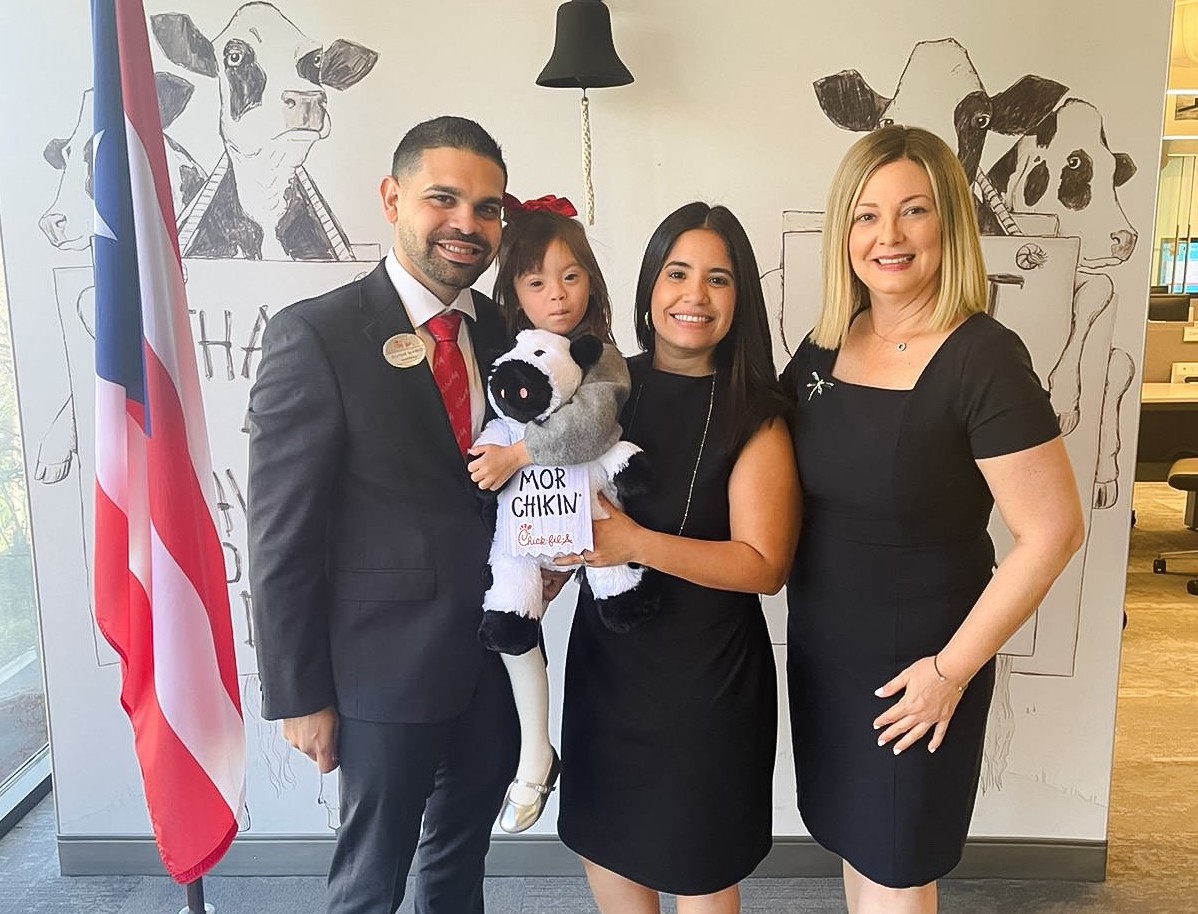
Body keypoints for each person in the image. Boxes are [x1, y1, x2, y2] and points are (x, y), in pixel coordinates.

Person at [782, 124, 1085, 913]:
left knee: (897, 862)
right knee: (860, 845)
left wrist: (949, 675)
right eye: (866, 215)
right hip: (827, 656)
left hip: (921, 669)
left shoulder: (983, 356)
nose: (888, 236)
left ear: (949, 222)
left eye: (913, 211)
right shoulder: (822, 348)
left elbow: (1052, 532)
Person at [247, 116, 519, 914]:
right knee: (370, 883)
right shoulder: (316, 335)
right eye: (445, 199)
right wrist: (299, 693)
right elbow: (280, 533)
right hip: (379, 675)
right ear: (392, 197)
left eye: (489, 207)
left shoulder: (500, 332)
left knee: (458, 864)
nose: (468, 224)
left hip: (485, 662)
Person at [555, 202, 801, 913]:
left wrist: (634, 543)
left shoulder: (757, 413)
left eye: (717, 280)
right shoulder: (598, 388)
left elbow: (764, 565)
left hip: (706, 683)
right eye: (677, 273)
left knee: (698, 866)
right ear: (649, 288)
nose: (693, 296)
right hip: (607, 667)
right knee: (606, 845)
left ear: (740, 299)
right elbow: (555, 497)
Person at [466, 195, 631, 834]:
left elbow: (592, 426)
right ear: (514, 290)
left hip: (591, 520)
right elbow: (488, 422)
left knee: (616, 611)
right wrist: (491, 455)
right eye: (536, 281)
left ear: (591, 279)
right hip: (524, 528)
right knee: (512, 623)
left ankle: (559, 760)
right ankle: (535, 751)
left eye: (571, 276)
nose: (557, 295)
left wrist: (517, 454)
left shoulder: (600, 354)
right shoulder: (502, 352)